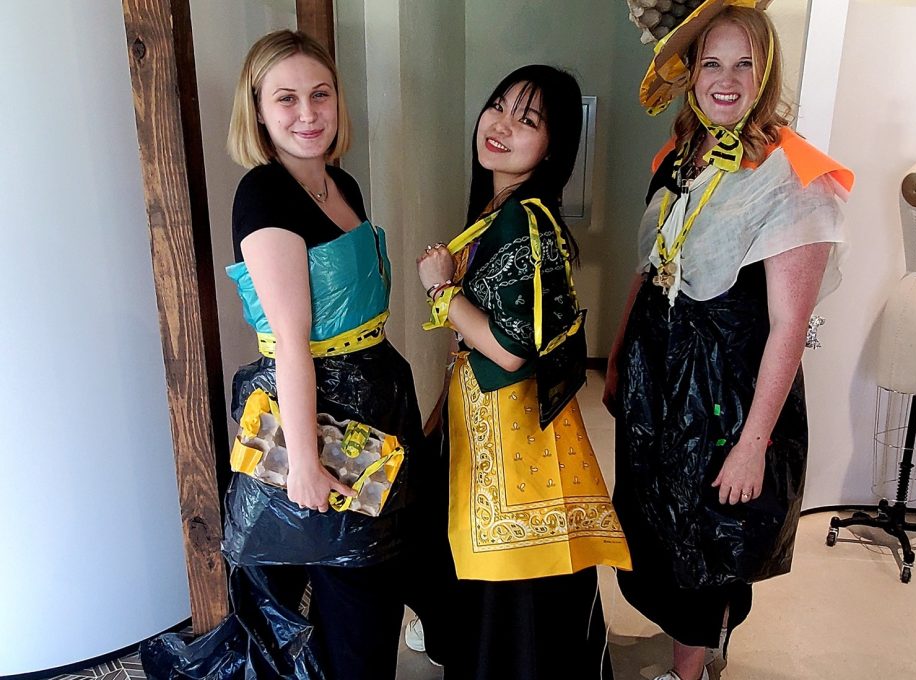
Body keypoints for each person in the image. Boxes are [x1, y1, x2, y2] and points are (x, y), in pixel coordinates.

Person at [142, 30, 422, 680]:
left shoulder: (339, 180)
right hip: (316, 418)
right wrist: (302, 465)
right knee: (349, 603)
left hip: (372, 405)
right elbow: (293, 345)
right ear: (259, 111)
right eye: (286, 98)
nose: (307, 113)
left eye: (320, 94)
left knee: (370, 594)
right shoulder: (263, 195)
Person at [604, 6, 854, 680]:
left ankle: (689, 672)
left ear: (766, 72)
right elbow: (649, 267)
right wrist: (621, 358)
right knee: (654, 523)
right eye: (712, 62)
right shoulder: (677, 158)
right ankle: (692, 646)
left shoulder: (794, 175)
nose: (726, 78)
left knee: (705, 539)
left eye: (745, 63)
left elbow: (789, 327)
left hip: (726, 396)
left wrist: (753, 445)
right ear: (692, 73)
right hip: (658, 378)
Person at [414, 64, 632, 680]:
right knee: (515, 581)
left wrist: (440, 293)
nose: (502, 125)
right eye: (500, 106)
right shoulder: (502, 210)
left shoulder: (526, 219)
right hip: (504, 422)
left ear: (553, 146)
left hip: (512, 432)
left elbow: (510, 348)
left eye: (527, 120)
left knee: (514, 580)